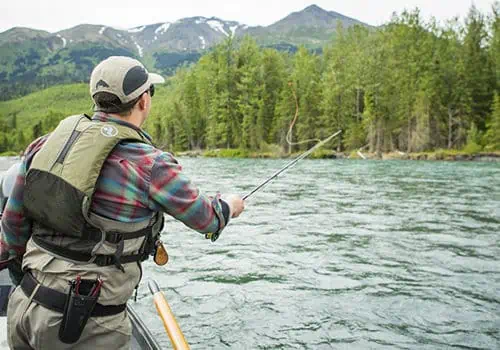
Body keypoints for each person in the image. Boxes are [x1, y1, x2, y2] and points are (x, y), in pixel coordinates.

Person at [0, 56, 245, 349]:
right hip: (85, 327)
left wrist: (22, 279)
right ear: (144, 101)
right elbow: (208, 219)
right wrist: (230, 205)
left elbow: (12, 227)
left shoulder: (43, 145)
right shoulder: (151, 164)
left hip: (24, 308)